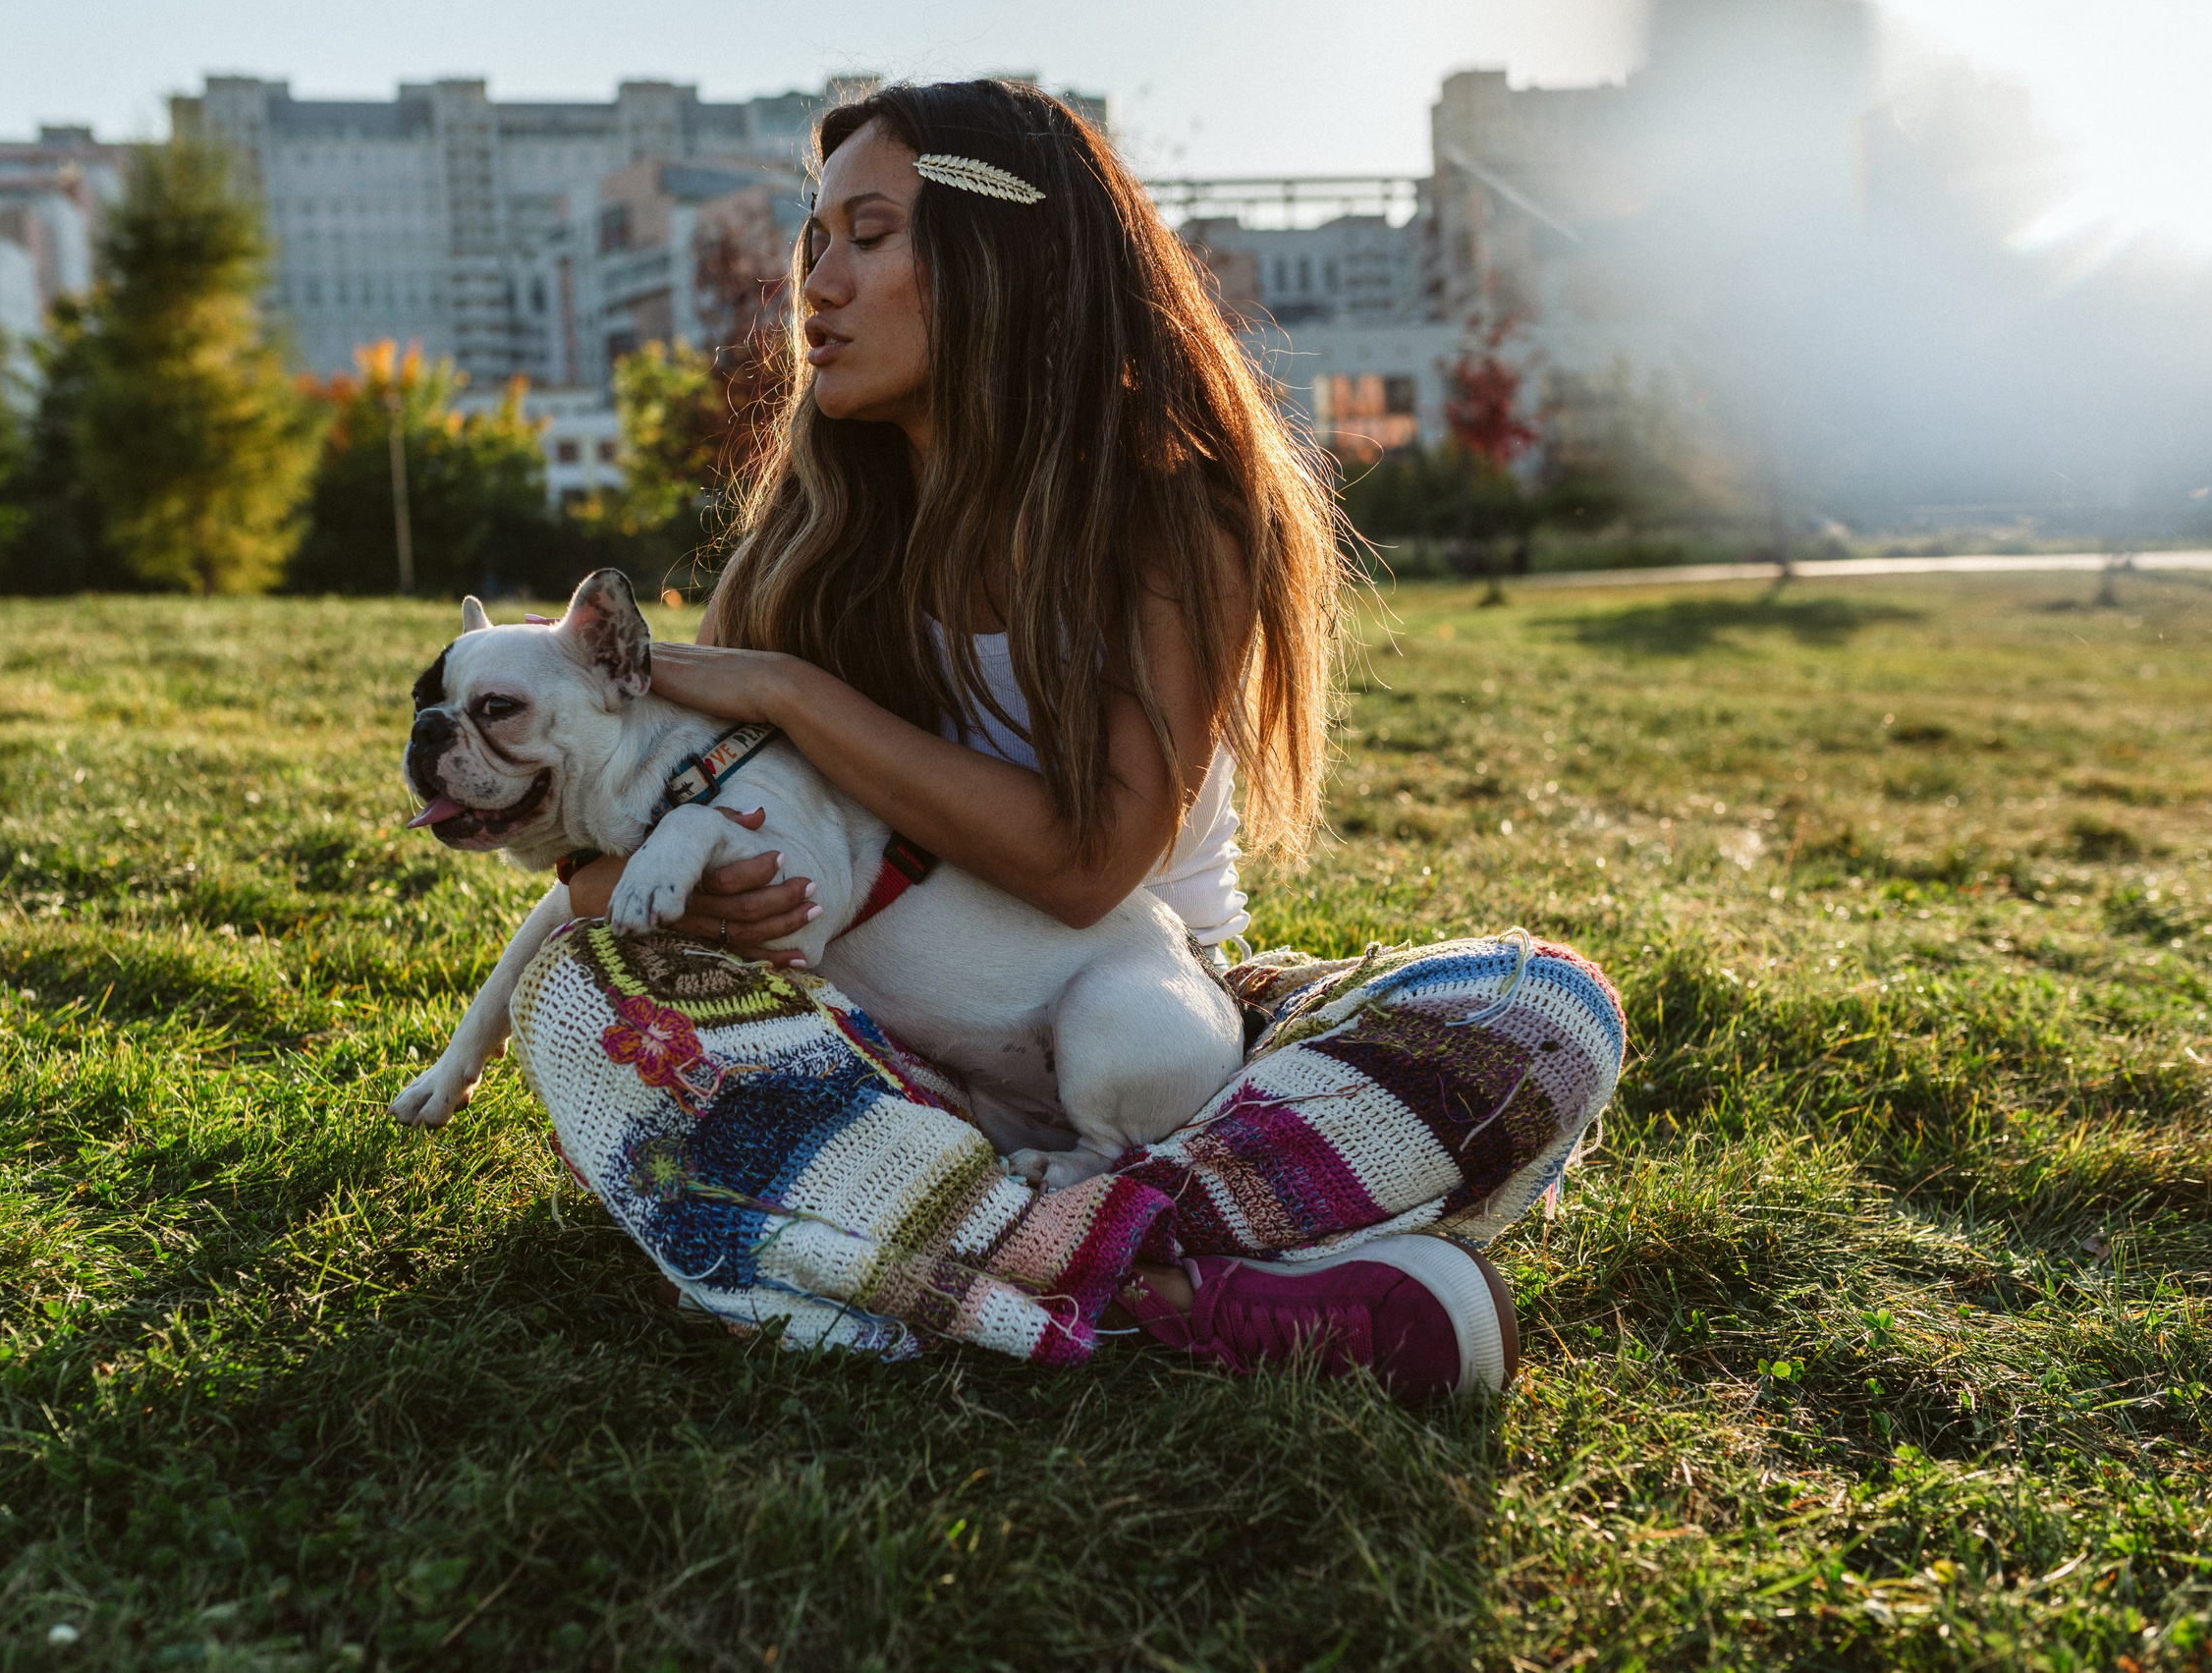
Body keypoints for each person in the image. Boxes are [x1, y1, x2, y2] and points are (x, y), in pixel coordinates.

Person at [540, 81, 1620, 1394]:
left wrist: (790, 694)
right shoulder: (805, 557)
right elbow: (607, 873)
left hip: (1172, 1052)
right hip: (883, 1060)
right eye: (811, 240)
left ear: (1008, 257)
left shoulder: (1178, 513)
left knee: (1539, 1011)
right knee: (572, 996)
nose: (816, 286)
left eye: (867, 235)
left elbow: (1085, 867)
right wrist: (675, 902)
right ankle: (1176, 1296)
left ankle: (934, 1260)